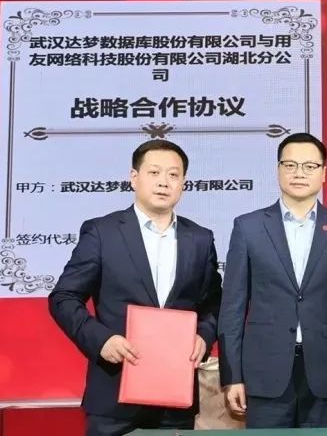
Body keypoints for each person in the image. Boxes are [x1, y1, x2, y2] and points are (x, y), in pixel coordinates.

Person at [49, 140, 222, 436]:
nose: (163, 182)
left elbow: (215, 302)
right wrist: (101, 340)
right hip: (114, 394)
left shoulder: (200, 239)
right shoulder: (102, 232)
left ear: (183, 183)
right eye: (154, 172)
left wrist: (204, 336)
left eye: (173, 175)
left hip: (175, 397)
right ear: (134, 177)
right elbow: (64, 297)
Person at [218, 132, 327, 428]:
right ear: (278, 170)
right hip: (264, 372)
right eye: (290, 165)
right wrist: (232, 376)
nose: (299, 173)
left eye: (310, 166)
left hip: (326, 373)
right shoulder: (248, 227)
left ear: (324, 173)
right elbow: (232, 308)